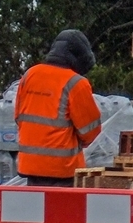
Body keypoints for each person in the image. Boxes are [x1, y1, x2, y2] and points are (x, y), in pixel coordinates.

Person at [14, 29, 102, 186]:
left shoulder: (29, 75)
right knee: (62, 211)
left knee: (36, 210)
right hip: (63, 172)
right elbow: (90, 131)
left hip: (30, 168)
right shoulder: (76, 83)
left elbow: (18, 118)